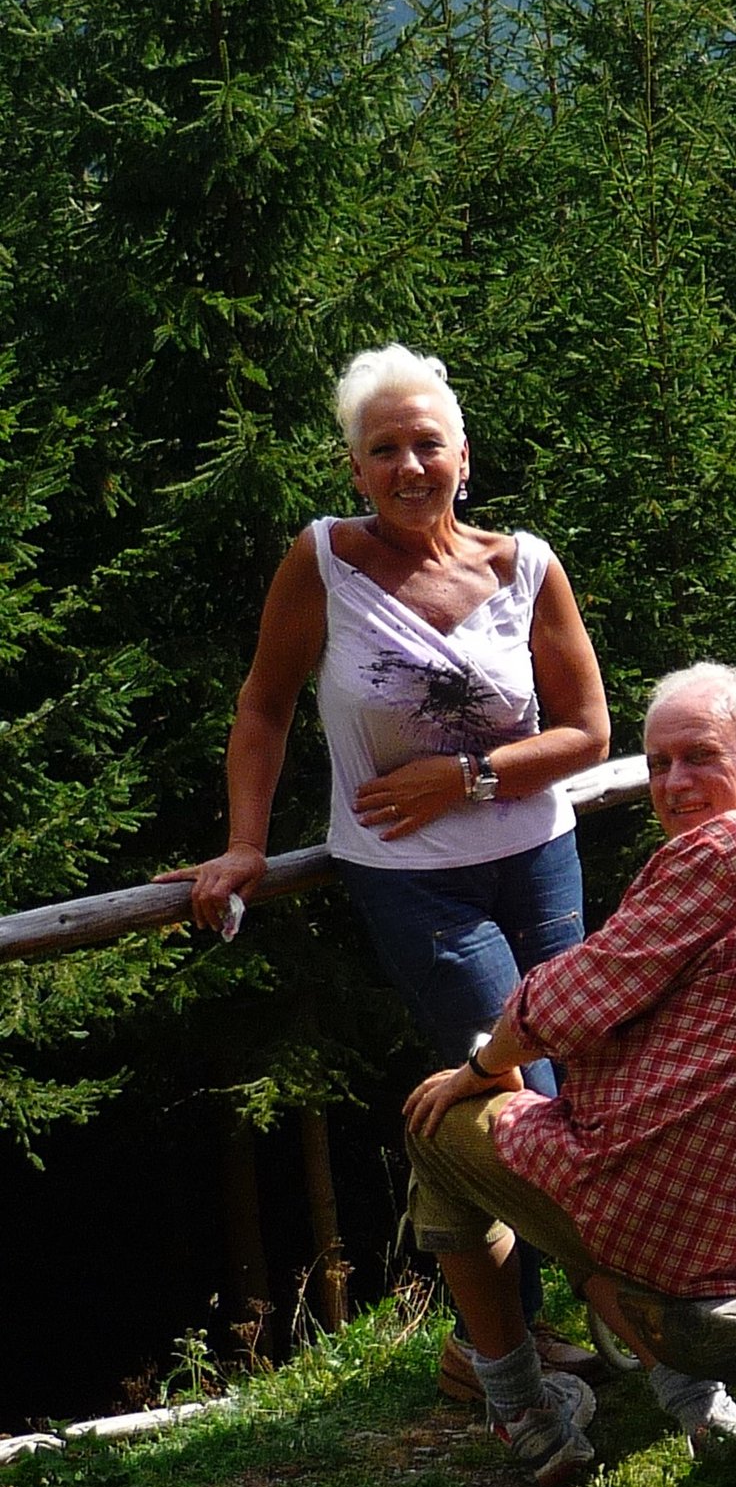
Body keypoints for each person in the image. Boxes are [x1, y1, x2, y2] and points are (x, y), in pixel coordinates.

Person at [158, 342, 613, 1403]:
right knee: (516, 1091)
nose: (409, 467)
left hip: (539, 861)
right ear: (355, 468)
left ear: (464, 455)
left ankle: (520, 1331)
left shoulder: (525, 566)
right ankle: (515, 1338)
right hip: (412, 883)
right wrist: (244, 844)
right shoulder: (321, 560)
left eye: (426, 446)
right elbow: (264, 708)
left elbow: (589, 733)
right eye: (383, 450)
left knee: (575, 1081)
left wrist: (466, 775)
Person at [399, 664, 736, 1487]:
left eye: (698, 757)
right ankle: (697, 1410)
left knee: (436, 1121)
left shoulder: (734, 845)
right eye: (657, 763)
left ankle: (520, 1410)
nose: (673, 785)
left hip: (667, 1219)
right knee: (569, 1151)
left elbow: (569, 997)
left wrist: (480, 1065)